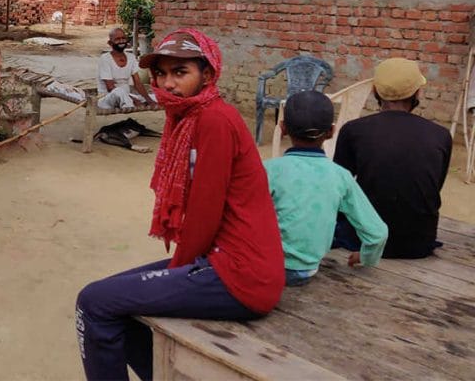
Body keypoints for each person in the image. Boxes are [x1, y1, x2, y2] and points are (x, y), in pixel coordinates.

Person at [75, 29, 285, 381]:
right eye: (161, 73)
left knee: (95, 303)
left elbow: (204, 213)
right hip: (221, 259)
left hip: (240, 273)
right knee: (107, 300)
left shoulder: (215, 120)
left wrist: (178, 272)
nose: (167, 84)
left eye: (180, 72)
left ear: (207, 73)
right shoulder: (188, 117)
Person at [333, 58, 452, 259]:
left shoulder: (354, 130)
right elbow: (433, 187)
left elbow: (339, 188)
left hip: (363, 240)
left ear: (374, 92)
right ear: (417, 93)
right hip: (419, 243)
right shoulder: (441, 135)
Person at [265, 90, 387, 286]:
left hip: (264, 266)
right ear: (331, 132)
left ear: (283, 128)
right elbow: (378, 233)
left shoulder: (269, 170)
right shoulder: (341, 176)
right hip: (305, 271)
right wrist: (366, 258)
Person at [97, 28, 156, 110]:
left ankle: (130, 103)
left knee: (155, 97)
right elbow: (110, 87)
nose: (121, 41)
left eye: (123, 38)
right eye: (117, 39)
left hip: (128, 95)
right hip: (108, 98)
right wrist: (132, 99)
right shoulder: (105, 59)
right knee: (119, 91)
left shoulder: (131, 57)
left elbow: (138, 83)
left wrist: (149, 100)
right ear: (110, 43)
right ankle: (130, 104)